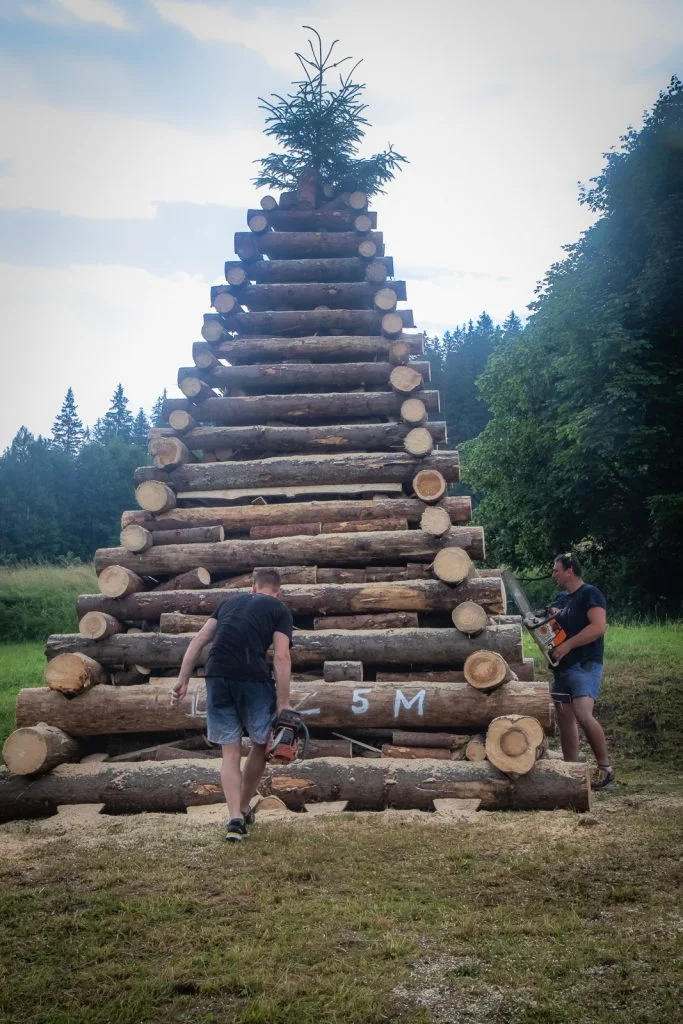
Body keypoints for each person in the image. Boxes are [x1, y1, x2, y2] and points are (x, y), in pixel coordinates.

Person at [170, 568, 293, 841]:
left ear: (253, 588)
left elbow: (199, 640)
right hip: (252, 676)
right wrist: (283, 703)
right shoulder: (279, 609)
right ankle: (244, 806)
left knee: (230, 752)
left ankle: (235, 819)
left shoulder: (228, 602)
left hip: (217, 674)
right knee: (261, 745)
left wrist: (182, 680)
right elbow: (281, 657)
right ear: (278, 592)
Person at [548, 553, 614, 789]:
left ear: (570, 570)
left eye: (556, 570)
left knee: (583, 714)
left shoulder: (590, 594)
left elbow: (598, 627)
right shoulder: (561, 598)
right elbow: (553, 629)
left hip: (585, 664)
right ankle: (571, 771)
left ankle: (606, 770)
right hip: (562, 667)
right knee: (564, 717)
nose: (553, 575)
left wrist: (567, 646)